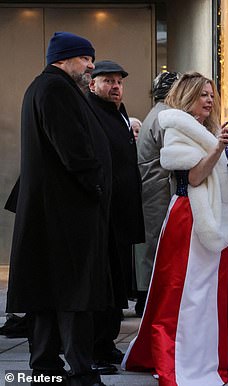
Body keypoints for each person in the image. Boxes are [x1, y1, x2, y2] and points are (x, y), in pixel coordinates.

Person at [122, 72, 228, 385]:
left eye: (211, 94)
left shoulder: (207, 130)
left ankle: (209, 354)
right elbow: (193, 177)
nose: (209, 99)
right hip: (189, 217)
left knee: (209, 291)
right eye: (202, 94)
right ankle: (180, 356)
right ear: (187, 96)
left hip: (212, 216)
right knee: (186, 289)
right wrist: (219, 149)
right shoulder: (177, 126)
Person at [7, 31, 112, 386]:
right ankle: (79, 370)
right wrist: (95, 185)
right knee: (74, 293)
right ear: (63, 59)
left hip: (57, 212)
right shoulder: (54, 89)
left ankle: (46, 367)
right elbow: (73, 149)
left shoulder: (49, 87)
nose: (90, 65)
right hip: (66, 213)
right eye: (85, 58)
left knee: (50, 292)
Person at [86, 60, 145, 373]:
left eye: (119, 82)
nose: (115, 87)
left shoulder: (119, 112)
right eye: (108, 81)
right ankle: (93, 349)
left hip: (122, 212)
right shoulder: (89, 111)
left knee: (118, 284)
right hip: (103, 214)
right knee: (102, 285)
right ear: (93, 84)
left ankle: (107, 344)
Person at [134, 71, 180, 317]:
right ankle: (147, 300)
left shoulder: (156, 113)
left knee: (150, 246)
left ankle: (145, 298)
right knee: (156, 245)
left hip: (151, 187)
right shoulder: (166, 116)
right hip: (158, 189)